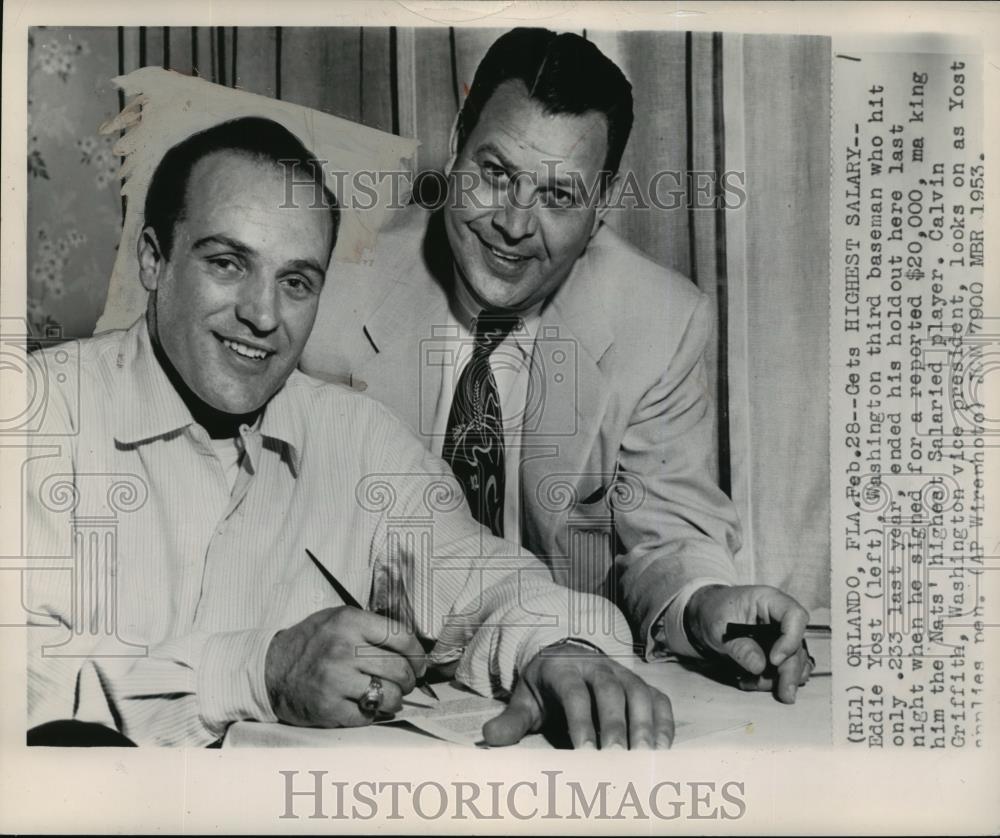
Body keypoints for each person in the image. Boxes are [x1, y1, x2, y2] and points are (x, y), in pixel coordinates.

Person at [24, 116, 674, 749]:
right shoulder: (35, 415)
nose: (262, 314)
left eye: (296, 282)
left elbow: (481, 575)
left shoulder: (356, 438)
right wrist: (259, 672)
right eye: (227, 263)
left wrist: (562, 648)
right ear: (153, 259)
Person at [301, 28, 813, 702]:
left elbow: (663, 534)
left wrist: (703, 602)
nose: (513, 225)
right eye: (495, 173)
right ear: (456, 145)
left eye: (559, 196)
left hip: (553, 680)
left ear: (602, 205)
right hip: (362, 679)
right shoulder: (332, 288)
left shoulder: (660, 324)